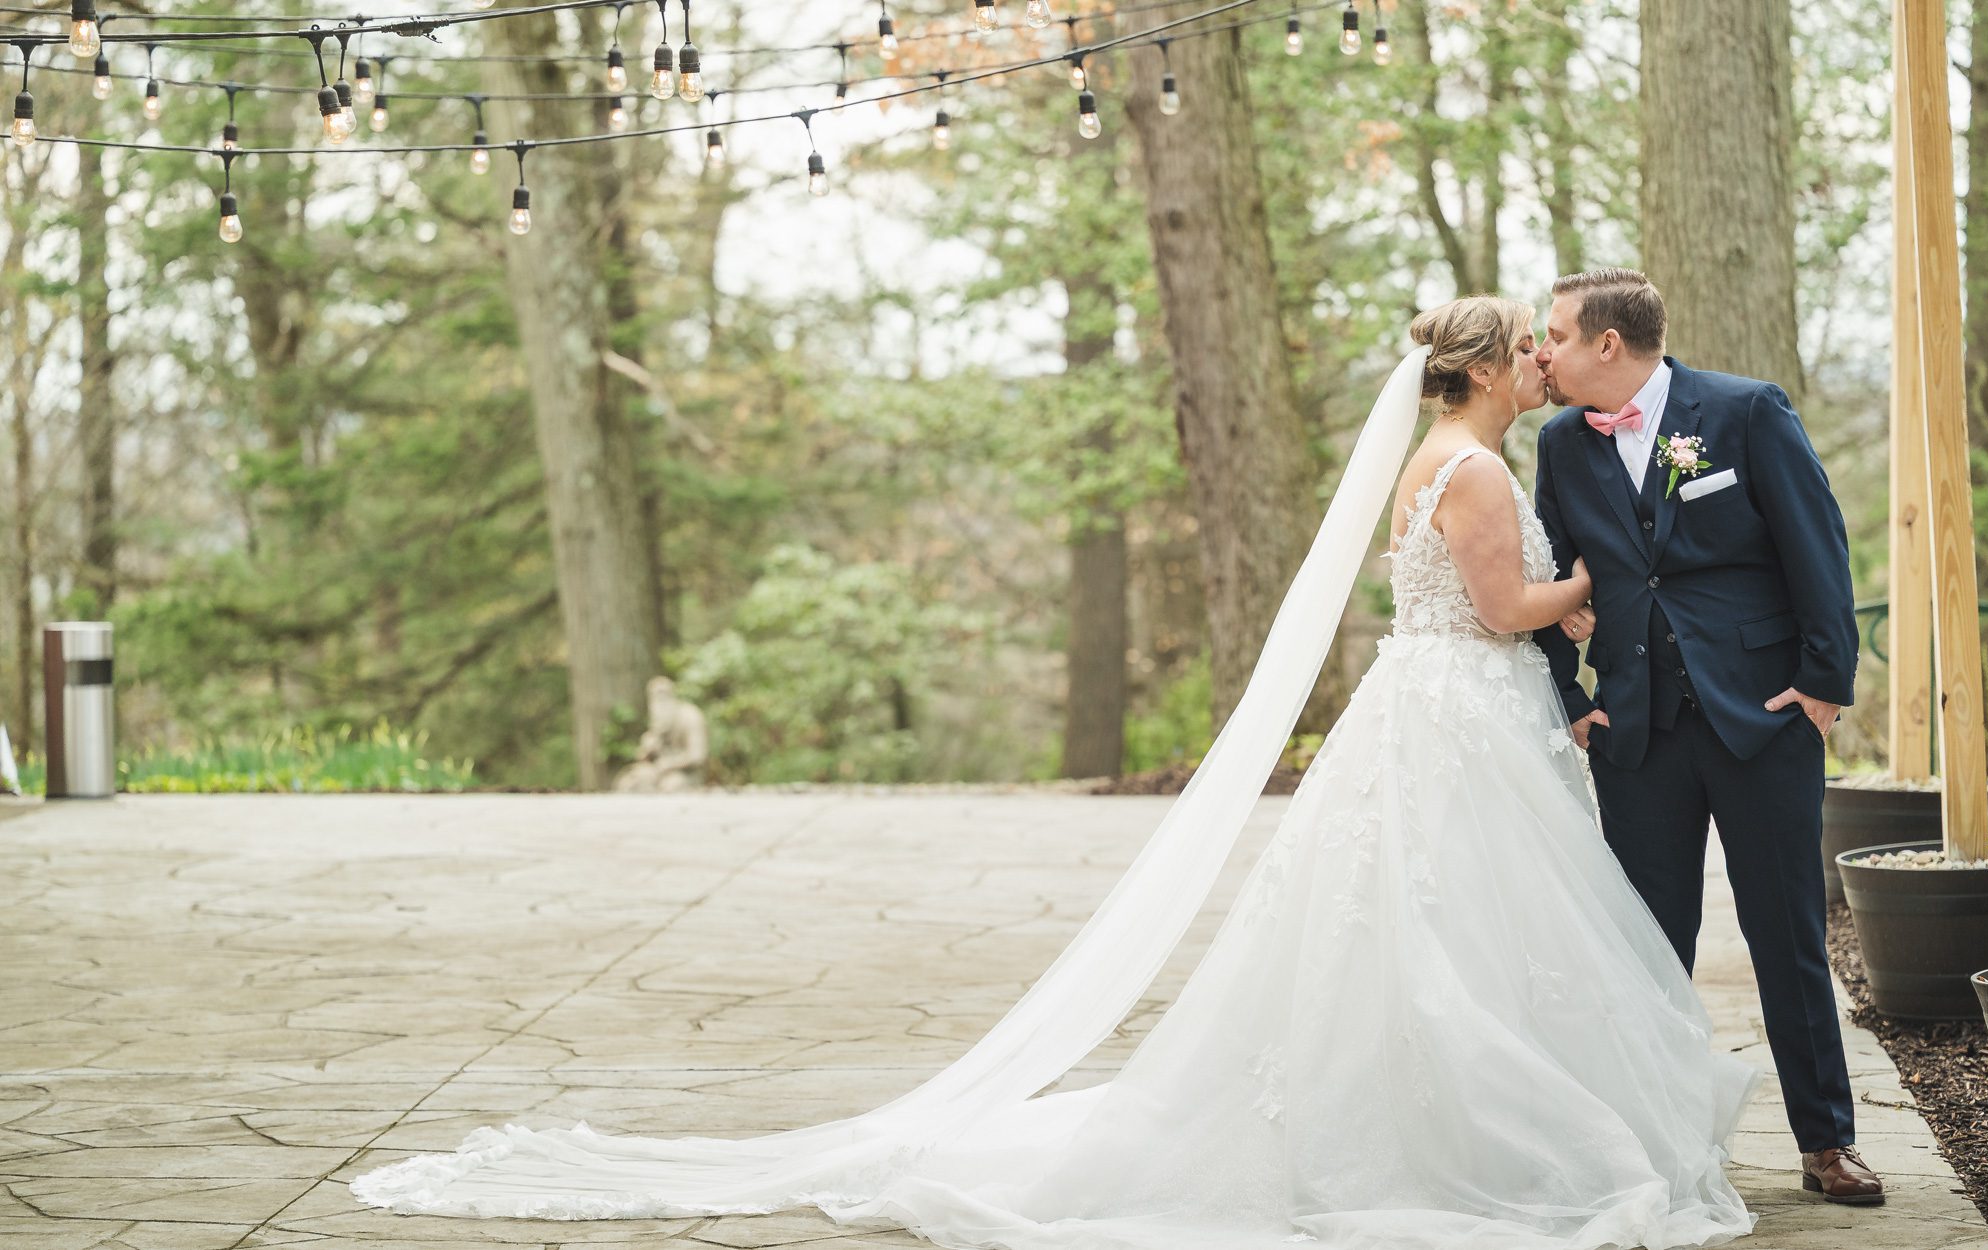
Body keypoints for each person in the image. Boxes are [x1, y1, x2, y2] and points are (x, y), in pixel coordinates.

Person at [353, 297, 1761, 1249]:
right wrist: (1591, 585)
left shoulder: (1439, 457)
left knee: (1433, 930)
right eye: (1523, 349)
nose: (1539, 363)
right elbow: (1501, 609)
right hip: (1459, 712)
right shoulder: (1473, 470)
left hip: (1445, 714)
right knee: (1451, 928)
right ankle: (1461, 1138)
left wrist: (1553, 601)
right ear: (1479, 370)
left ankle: (1447, 1109)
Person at [1530, 268, 1879, 1205]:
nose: (1541, 351)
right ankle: (1658, 1139)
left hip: (1763, 717)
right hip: (1636, 728)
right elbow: (1550, 570)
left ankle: (1827, 1141)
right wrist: (1571, 695)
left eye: (1555, 334)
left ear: (1609, 344)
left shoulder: (1745, 410)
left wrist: (1821, 683)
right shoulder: (1562, 442)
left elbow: (1819, 544)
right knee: (1647, 943)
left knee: (1788, 932)